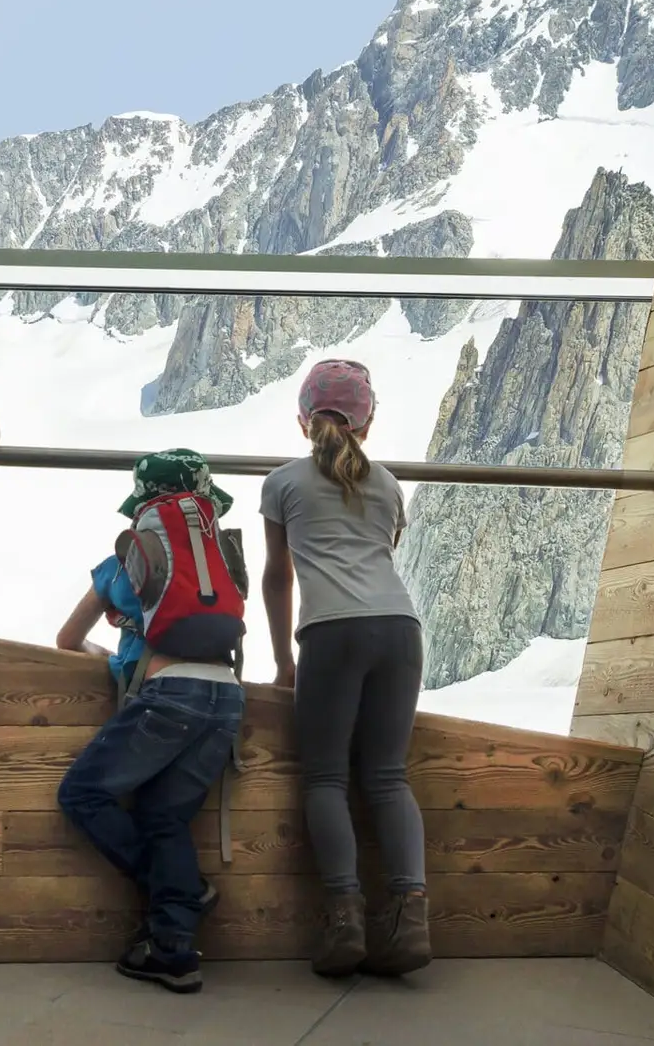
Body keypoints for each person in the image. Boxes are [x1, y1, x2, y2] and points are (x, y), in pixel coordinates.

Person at [54, 449, 248, 995]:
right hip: (227, 698)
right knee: (165, 819)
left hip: (169, 695)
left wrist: (108, 653)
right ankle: (173, 951)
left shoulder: (122, 567)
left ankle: (181, 890)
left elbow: (68, 641)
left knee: (83, 795)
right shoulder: (221, 556)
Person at [262, 359, 431, 978]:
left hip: (331, 634)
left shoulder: (283, 483)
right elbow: (380, 560)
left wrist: (284, 661)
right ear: (369, 422)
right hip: (400, 630)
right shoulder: (388, 485)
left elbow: (278, 578)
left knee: (327, 778)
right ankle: (410, 916)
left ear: (303, 419)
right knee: (388, 776)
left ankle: (345, 923)